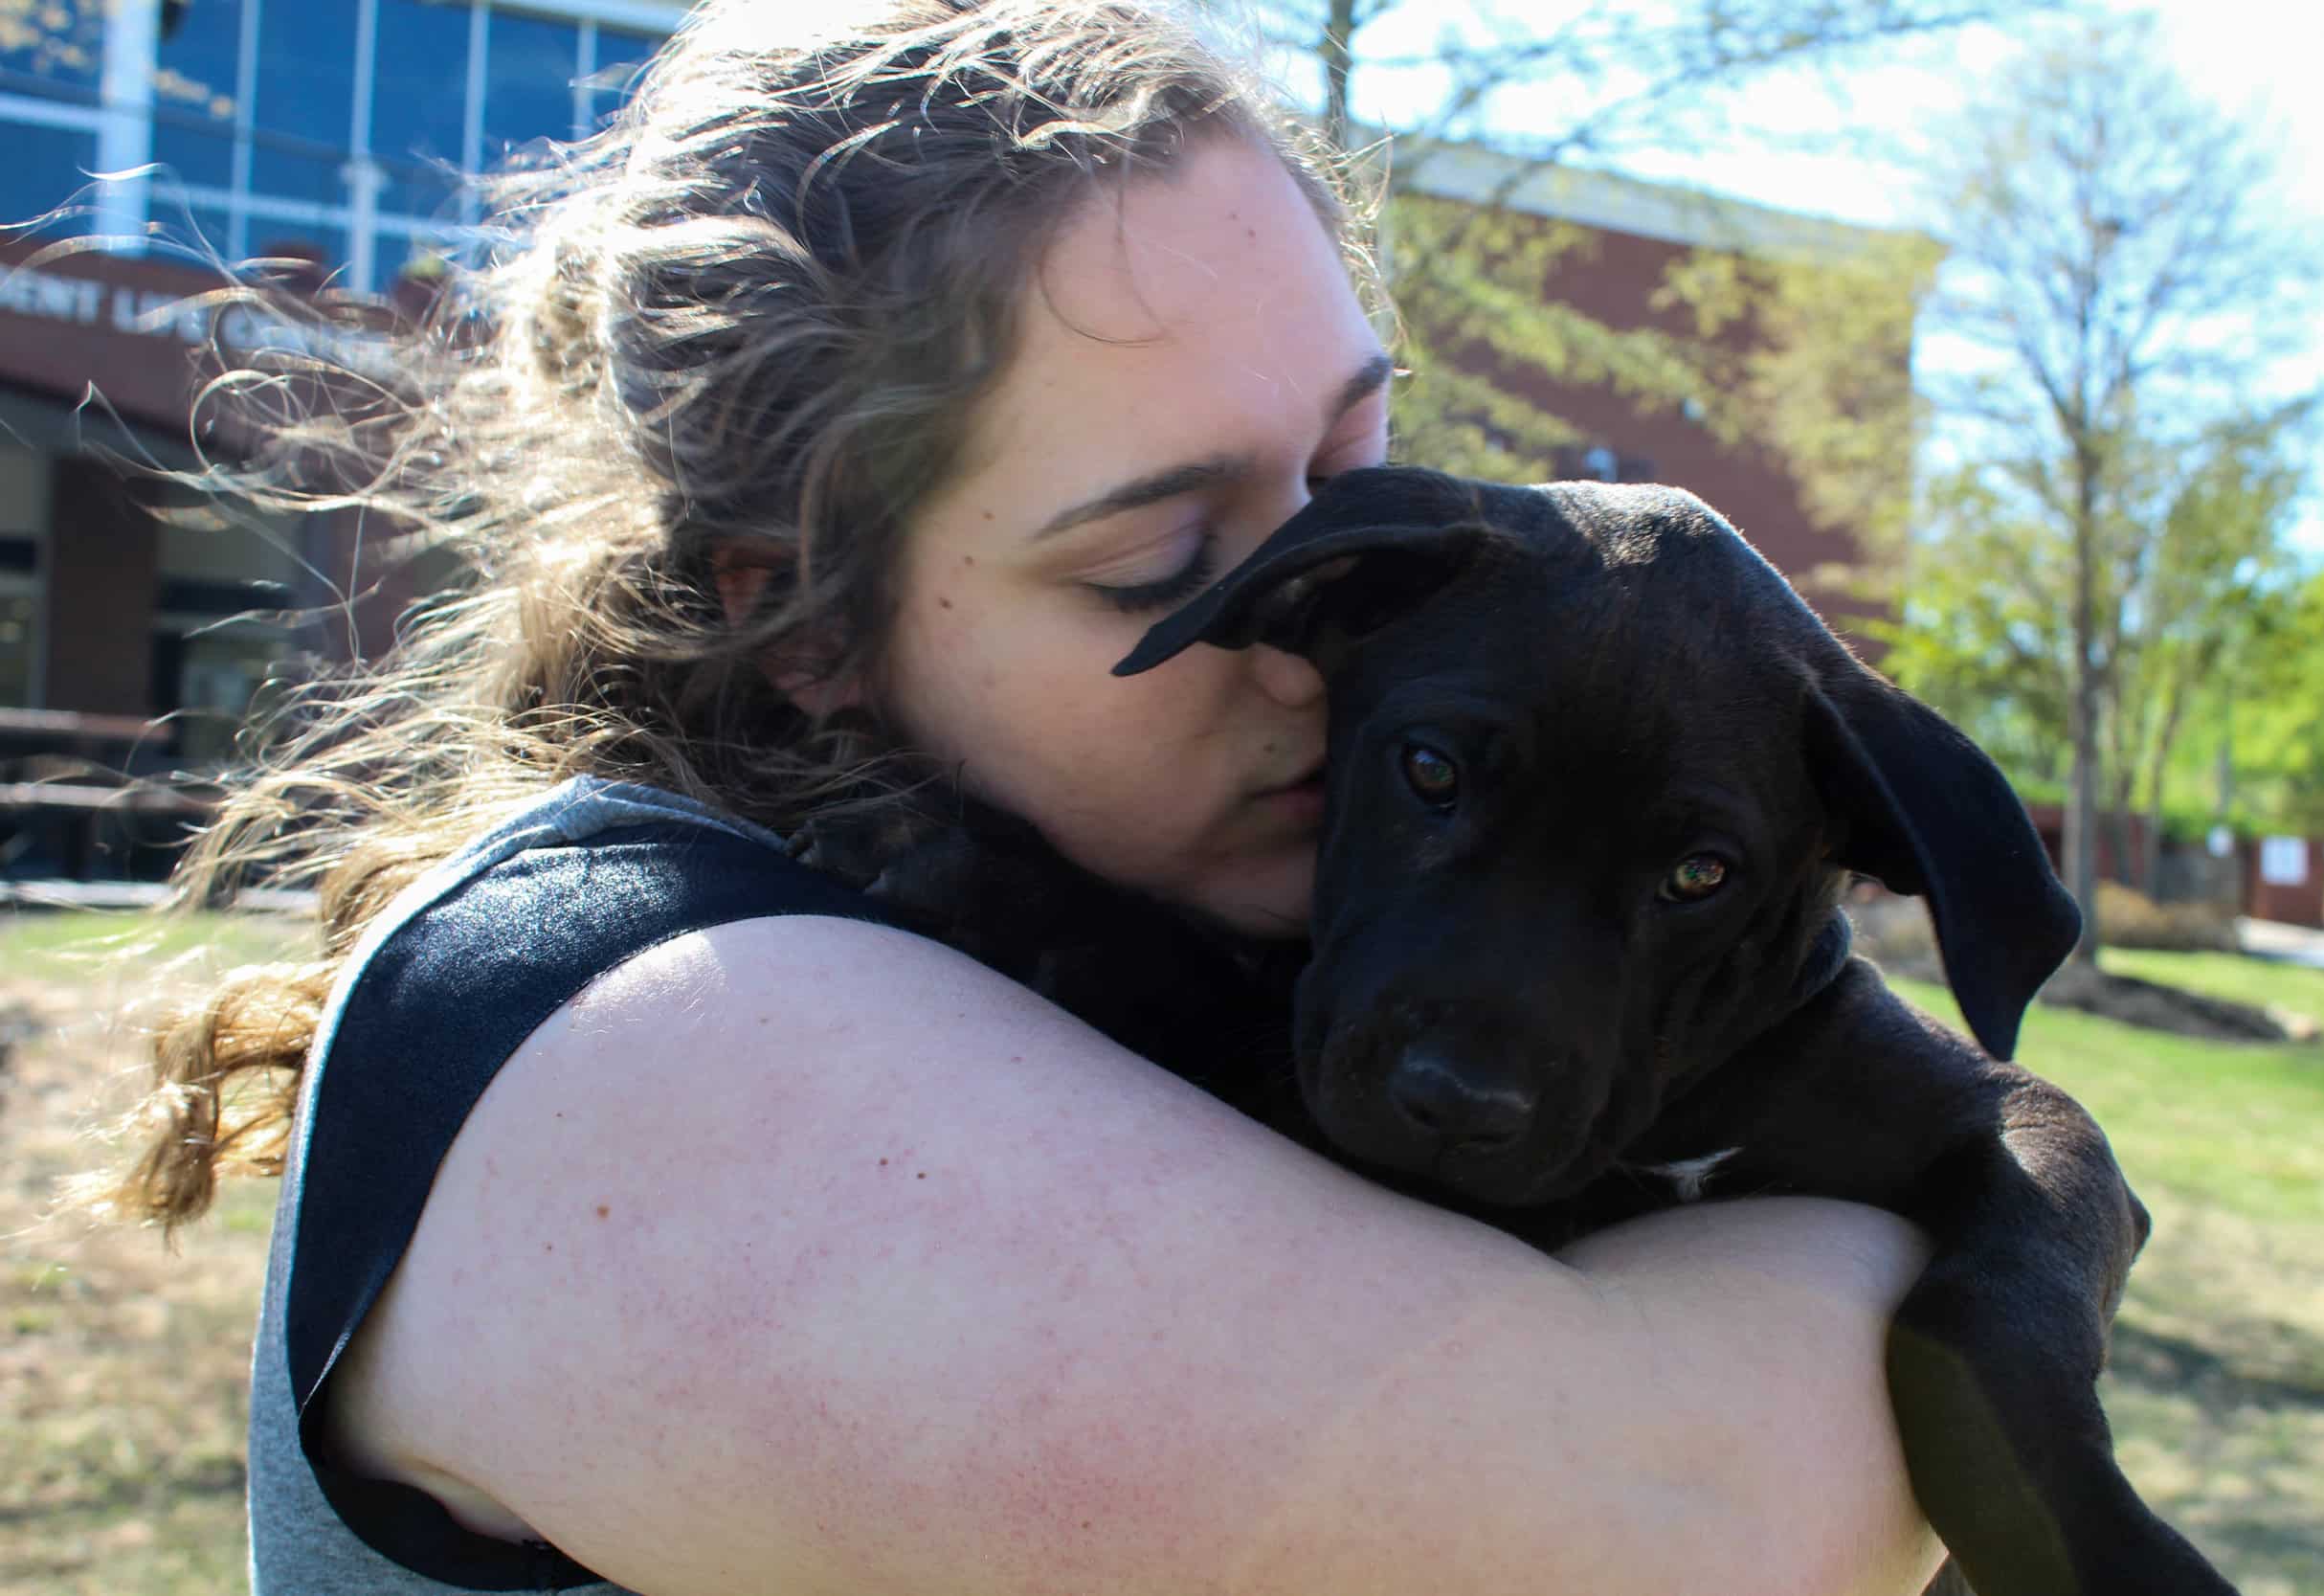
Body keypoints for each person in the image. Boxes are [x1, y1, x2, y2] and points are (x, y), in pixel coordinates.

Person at [97, 2, 1947, 1591]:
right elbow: (1694, 1539)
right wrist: (1997, 1188)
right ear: (800, 622)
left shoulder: (1126, 954)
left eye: (1352, 461)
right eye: (1162, 560)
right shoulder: (653, 1030)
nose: (1330, 618)